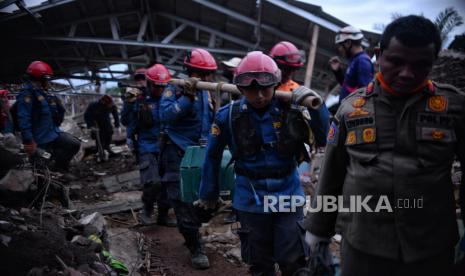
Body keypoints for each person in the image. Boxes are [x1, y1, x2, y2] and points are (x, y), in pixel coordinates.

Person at [304, 15, 465, 276]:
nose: (407, 73)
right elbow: (331, 176)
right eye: (396, 61)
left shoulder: (454, 108)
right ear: (378, 55)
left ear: (433, 63)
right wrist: (318, 231)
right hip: (363, 245)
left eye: (421, 65)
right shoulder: (350, 109)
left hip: (430, 246)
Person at [199, 51, 318, 275]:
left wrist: (316, 106)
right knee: (260, 263)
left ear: (275, 83)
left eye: (266, 88)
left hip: (288, 194)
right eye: (253, 90)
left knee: (293, 261)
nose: (260, 95)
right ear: (241, 88)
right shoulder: (228, 116)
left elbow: (322, 138)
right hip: (250, 197)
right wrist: (209, 193)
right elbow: (212, 155)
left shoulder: (292, 111)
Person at [159, 48, 216, 269]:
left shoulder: (208, 91)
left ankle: (194, 228)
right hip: (177, 151)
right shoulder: (175, 88)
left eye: (208, 74)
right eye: (201, 74)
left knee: (207, 198)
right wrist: (186, 99)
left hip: (201, 153)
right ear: (190, 71)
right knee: (182, 202)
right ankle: (195, 247)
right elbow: (165, 116)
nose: (206, 79)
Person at [125, 64, 176, 227]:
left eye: (163, 86)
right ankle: (147, 208)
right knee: (153, 182)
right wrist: (128, 103)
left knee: (168, 183)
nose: (160, 90)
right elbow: (126, 121)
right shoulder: (139, 100)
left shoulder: (170, 97)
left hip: (167, 146)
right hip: (147, 146)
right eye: (156, 86)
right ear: (149, 84)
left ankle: (163, 215)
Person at [16, 61, 81, 174]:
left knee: (73, 144)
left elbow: (53, 112)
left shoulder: (41, 92)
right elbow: (23, 118)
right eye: (47, 78)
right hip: (39, 138)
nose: (48, 81)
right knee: (40, 168)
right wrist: (29, 140)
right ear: (41, 78)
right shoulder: (27, 95)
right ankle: (45, 186)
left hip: (52, 133)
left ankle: (60, 169)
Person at [269, 41, 330, 147]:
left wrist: (319, 107)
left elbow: (322, 135)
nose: (289, 73)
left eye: (292, 69)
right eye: (285, 69)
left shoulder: (298, 91)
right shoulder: (262, 89)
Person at [329, 26, 374, 105]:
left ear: (348, 43)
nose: (340, 49)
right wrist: (338, 72)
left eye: (340, 45)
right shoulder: (355, 60)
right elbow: (348, 87)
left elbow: (366, 93)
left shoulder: (362, 61)